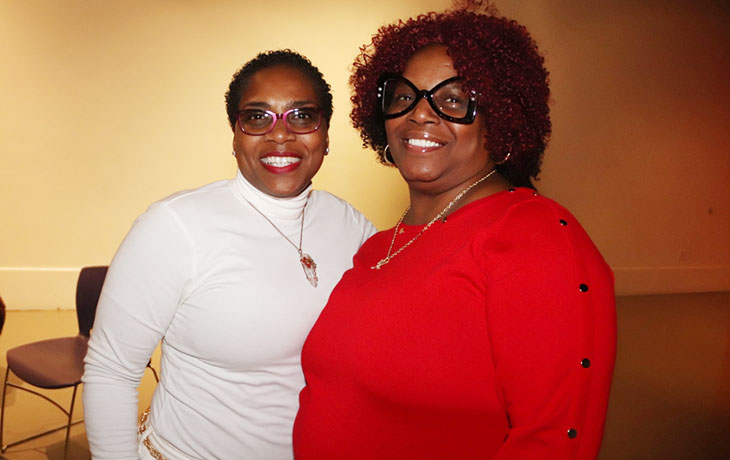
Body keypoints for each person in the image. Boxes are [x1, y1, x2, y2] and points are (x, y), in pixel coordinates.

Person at [294, 4, 616, 459]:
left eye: (454, 100)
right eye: (403, 96)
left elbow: (552, 441)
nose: (420, 114)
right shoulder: (379, 247)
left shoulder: (535, 237)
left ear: (500, 118)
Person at [83, 50, 376, 460]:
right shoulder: (175, 226)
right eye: (257, 117)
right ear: (235, 135)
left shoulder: (352, 226)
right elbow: (111, 371)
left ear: (325, 134)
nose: (280, 135)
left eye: (301, 116)